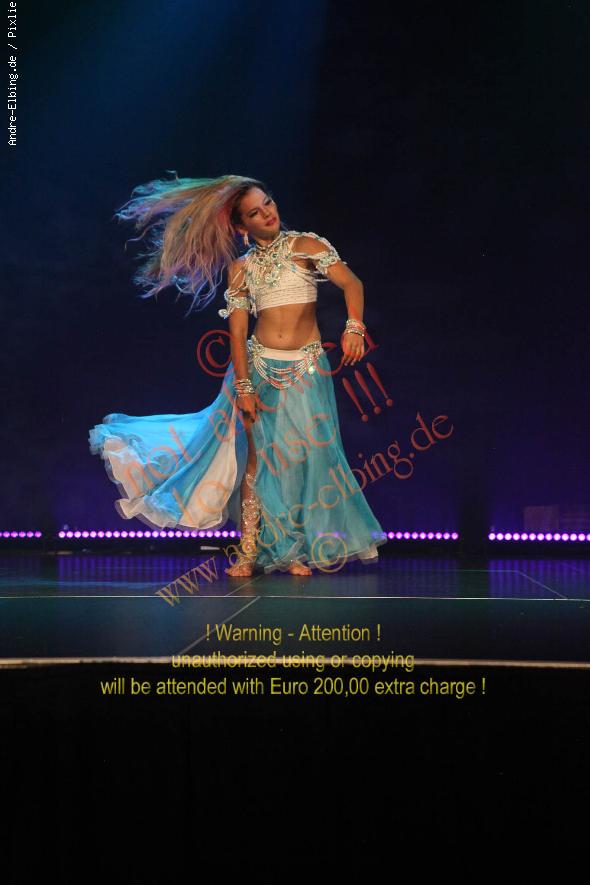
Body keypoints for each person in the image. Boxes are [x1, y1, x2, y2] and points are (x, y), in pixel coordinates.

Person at [89, 173, 385, 576]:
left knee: (301, 458)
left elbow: (352, 283)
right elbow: (238, 333)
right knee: (257, 461)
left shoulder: (306, 245)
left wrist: (354, 327)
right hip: (259, 368)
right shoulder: (242, 269)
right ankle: (247, 551)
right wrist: (243, 386)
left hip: (307, 367)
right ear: (241, 226)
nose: (267, 214)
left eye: (268, 204)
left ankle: (293, 550)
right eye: (255, 213)